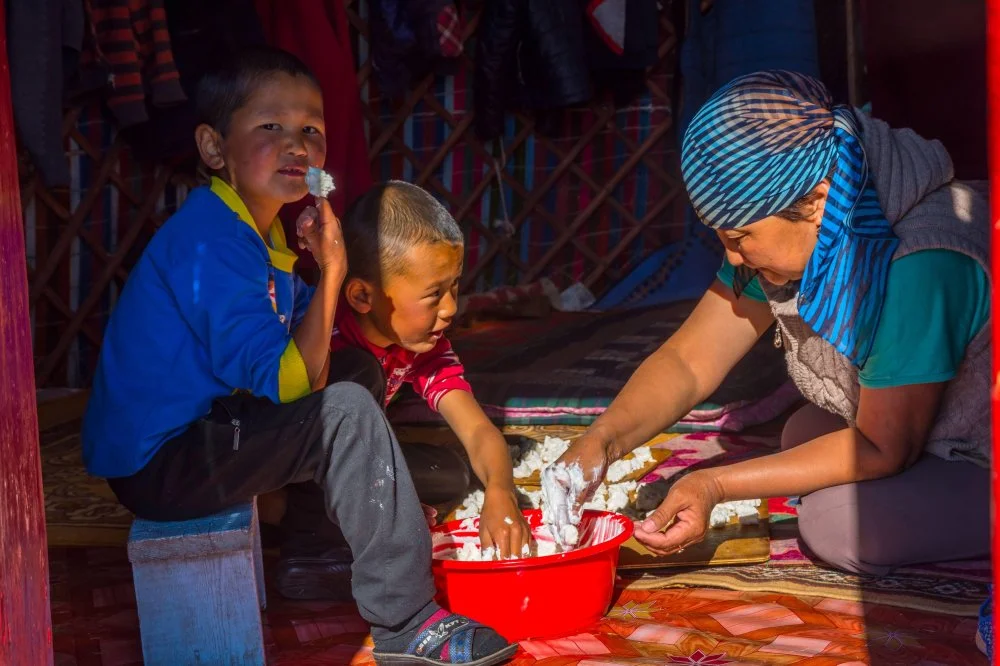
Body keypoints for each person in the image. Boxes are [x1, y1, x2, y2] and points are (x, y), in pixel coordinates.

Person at [81, 47, 517, 665]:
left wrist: (318, 271)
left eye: (310, 129)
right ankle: (407, 623)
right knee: (342, 410)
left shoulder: (258, 232)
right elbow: (292, 382)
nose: (296, 145)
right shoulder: (213, 243)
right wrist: (335, 270)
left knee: (358, 370)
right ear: (213, 148)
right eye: (270, 127)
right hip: (163, 460)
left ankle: (315, 553)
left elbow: (297, 350)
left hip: (205, 427)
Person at [554, 70, 990, 575]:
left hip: (983, 448)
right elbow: (688, 361)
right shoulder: (808, 228)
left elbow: (881, 447)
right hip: (927, 427)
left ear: (818, 199)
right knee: (805, 434)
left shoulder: (917, 265)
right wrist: (602, 439)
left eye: (740, 238)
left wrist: (714, 484)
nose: (732, 259)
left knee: (837, 525)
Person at [274, 182, 531, 586]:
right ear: (362, 295)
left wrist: (501, 492)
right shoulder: (326, 335)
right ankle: (313, 554)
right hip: (291, 468)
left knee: (451, 475)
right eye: (433, 295)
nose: (451, 308)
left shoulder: (423, 348)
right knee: (356, 376)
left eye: (455, 286)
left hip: (352, 469)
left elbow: (478, 430)